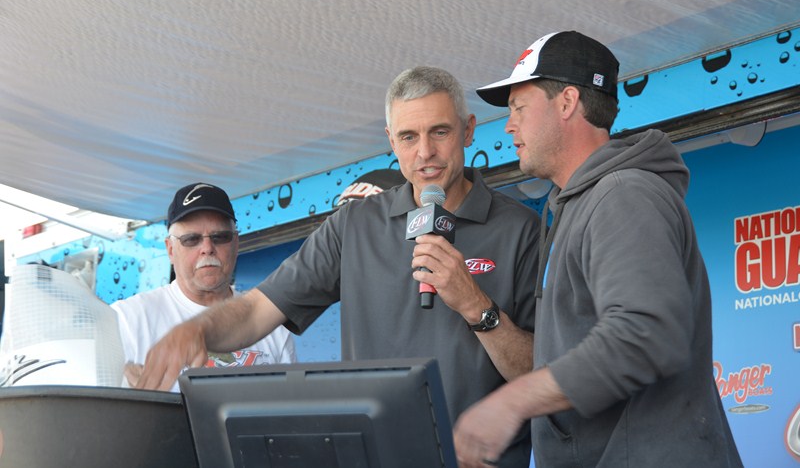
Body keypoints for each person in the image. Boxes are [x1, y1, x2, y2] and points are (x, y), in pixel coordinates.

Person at [136, 67, 540, 467]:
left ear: (468, 130)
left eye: (439, 132)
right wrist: (198, 329)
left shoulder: (520, 228)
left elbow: (542, 373)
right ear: (391, 141)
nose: (424, 152)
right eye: (408, 136)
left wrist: (476, 307)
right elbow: (259, 308)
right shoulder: (355, 224)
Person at [453, 31, 744, 467]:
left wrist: (513, 401)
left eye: (518, 108)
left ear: (567, 102)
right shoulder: (579, 205)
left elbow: (644, 335)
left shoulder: (624, 195)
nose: (509, 125)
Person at [111, 182, 296, 392]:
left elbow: (290, 405)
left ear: (236, 243)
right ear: (170, 250)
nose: (207, 248)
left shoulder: (272, 325)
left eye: (220, 237)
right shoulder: (126, 319)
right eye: (191, 239)